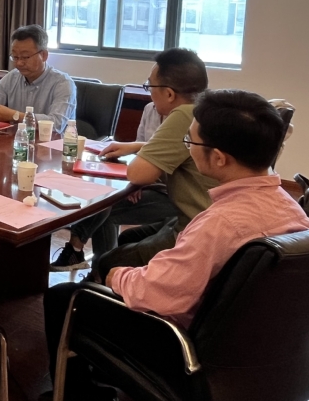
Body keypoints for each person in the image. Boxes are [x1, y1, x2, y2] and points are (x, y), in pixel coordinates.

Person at [43, 90, 309, 399]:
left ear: (219, 158)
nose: (187, 147)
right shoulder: (291, 208)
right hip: (265, 350)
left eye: (190, 142)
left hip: (190, 351)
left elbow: (154, 294)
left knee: (64, 296)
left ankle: (80, 393)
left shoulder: (220, 224)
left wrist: (115, 275)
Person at [49, 48, 216, 272]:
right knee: (111, 218)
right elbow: (179, 151)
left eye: (150, 86)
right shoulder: (206, 111)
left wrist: (141, 160)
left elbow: (138, 173)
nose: (149, 92)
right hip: (204, 219)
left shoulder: (183, 114)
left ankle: (99, 281)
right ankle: (98, 276)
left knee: (109, 259)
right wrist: (138, 146)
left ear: (169, 94)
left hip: (194, 227)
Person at [0, 25, 76, 131]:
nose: (19, 63)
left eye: (25, 57)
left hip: (51, 142)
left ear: (44, 55)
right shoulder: (11, 77)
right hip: (14, 140)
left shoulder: (63, 83)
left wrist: (15, 116)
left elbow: (57, 124)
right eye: (15, 57)